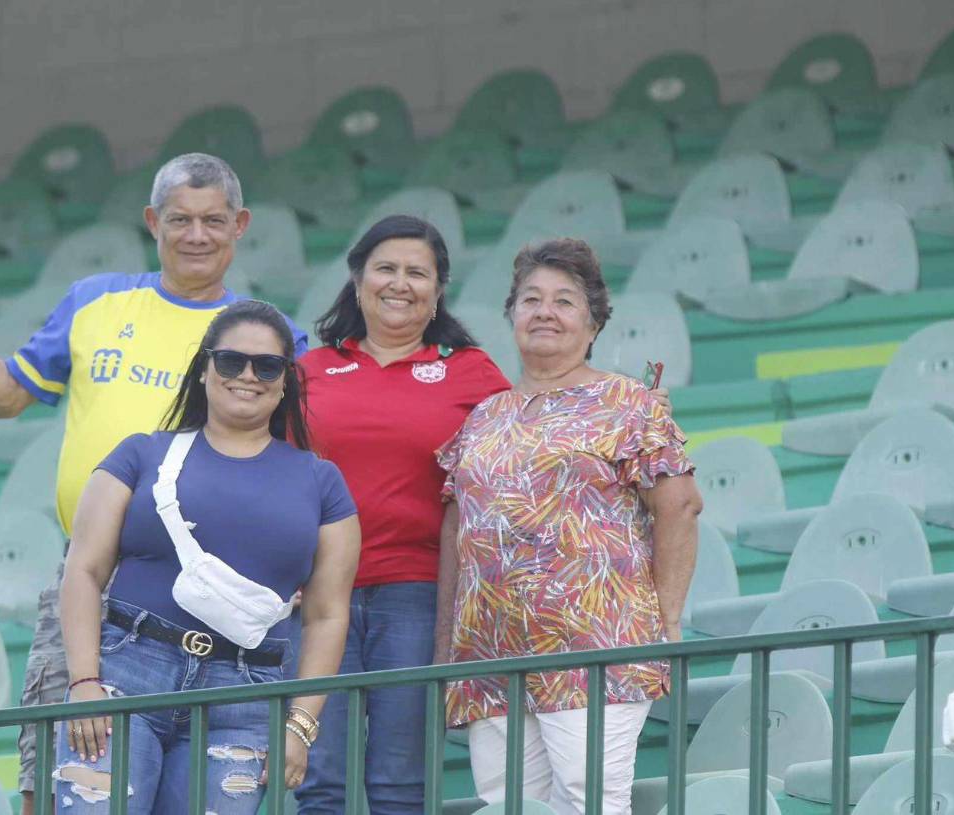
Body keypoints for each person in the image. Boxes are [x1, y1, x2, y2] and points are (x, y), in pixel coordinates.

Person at [0, 153, 306, 814]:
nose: (197, 235)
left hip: (205, 591)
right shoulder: (95, 301)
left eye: (214, 220)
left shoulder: (266, 337)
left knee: (192, 793)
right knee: (53, 776)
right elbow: (6, 396)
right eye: (180, 219)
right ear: (152, 221)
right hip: (89, 575)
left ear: (240, 225)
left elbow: (293, 463)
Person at [55, 300, 360, 813]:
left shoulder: (322, 482)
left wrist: (300, 726)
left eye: (267, 366)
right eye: (231, 361)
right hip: (126, 676)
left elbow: (328, 614)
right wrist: (84, 681)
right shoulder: (139, 454)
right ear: (204, 369)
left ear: (286, 381)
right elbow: (83, 571)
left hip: (244, 696)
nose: (248, 375)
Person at [434, 239, 702, 814]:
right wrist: (445, 645)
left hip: (596, 644)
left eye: (564, 301)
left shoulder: (626, 401)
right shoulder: (485, 416)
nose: (544, 312)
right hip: (491, 652)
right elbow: (456, 526)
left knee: (588, 799)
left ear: (594, 322)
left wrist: (667, 620)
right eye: (530, 299)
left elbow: (679, 507)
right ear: (512, 314)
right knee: (507, 805)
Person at [291, 215, 513, 813]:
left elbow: (513, 467)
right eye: (385, 268)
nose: (400, 283)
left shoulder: (473, 372)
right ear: (358, 280)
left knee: (401, 783)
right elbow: (273, 476)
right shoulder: (308, 370)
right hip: (316, 596)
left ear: (438, 290)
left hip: (419, 595)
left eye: (418, 272)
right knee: (319, 780)